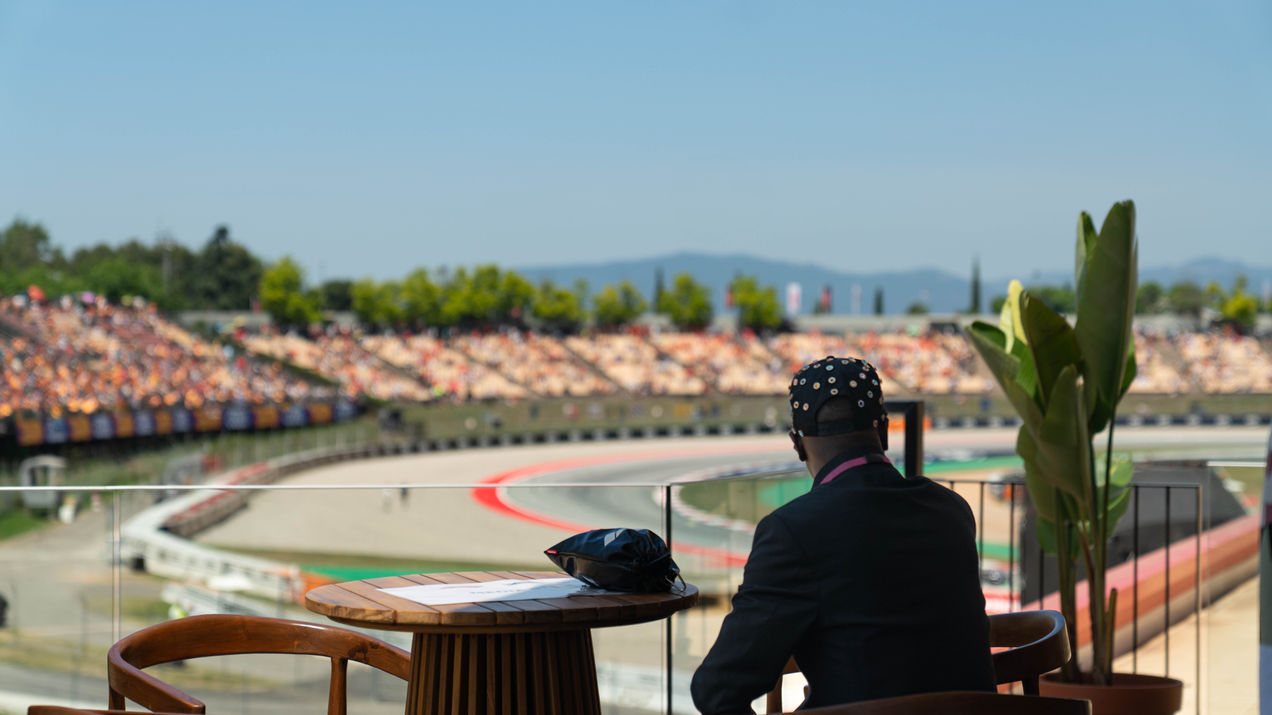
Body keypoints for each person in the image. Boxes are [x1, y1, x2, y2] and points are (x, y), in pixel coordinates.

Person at [691, 356, 994, 714]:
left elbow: (716, 690)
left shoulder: (792, 532)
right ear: (883, 430)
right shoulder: (952, 510)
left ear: (798, 444)